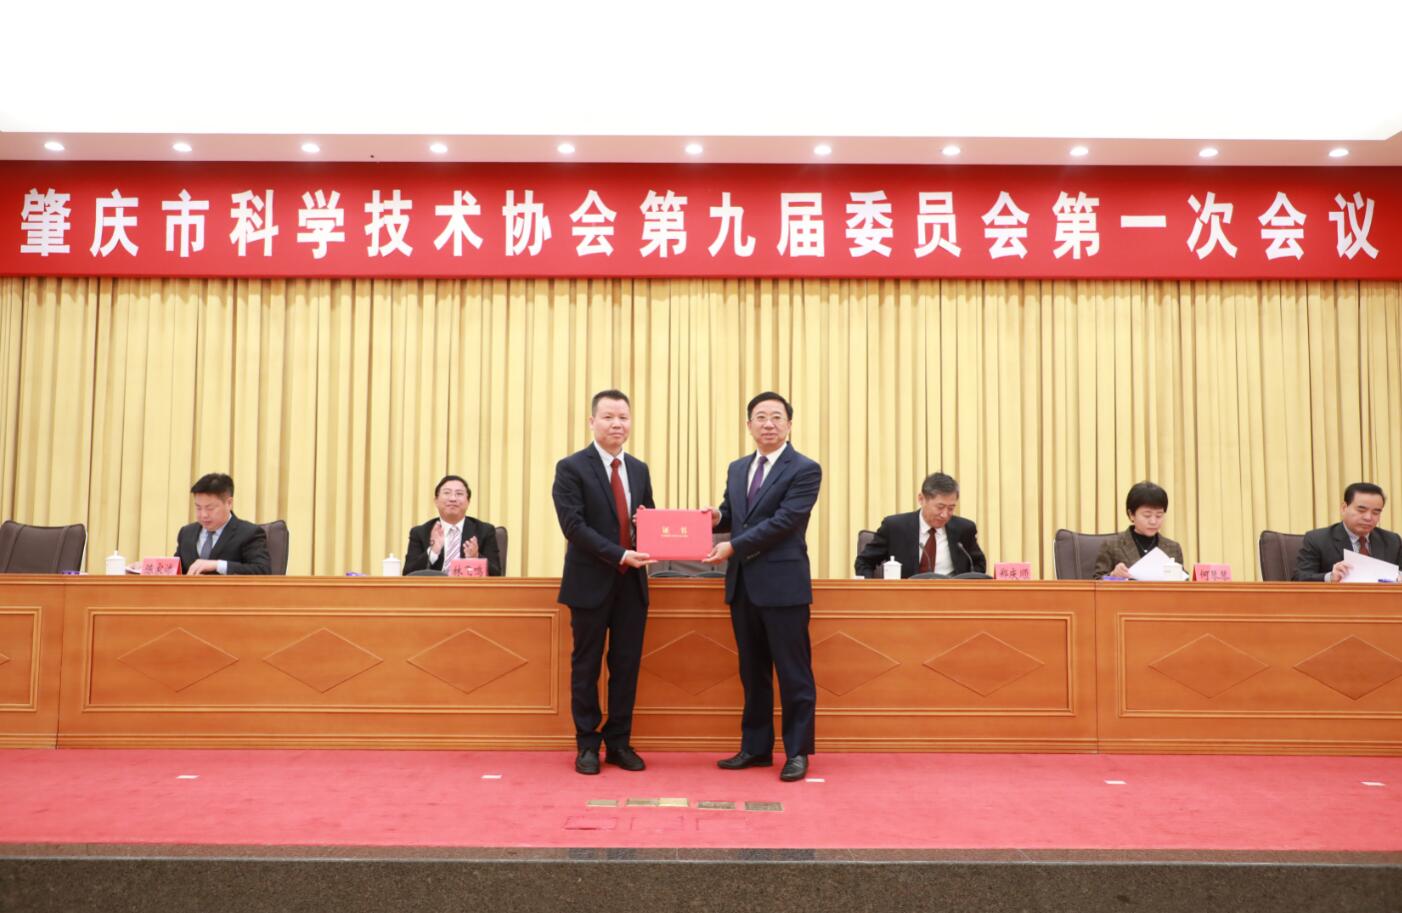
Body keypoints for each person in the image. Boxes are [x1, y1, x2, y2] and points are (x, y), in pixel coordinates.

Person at [705, 392, 822, 782]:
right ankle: (755, 748)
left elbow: (785, 521)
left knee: (793, 672)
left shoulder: (805, 469)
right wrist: (715, 517)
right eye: (760, 417)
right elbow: (734, 515)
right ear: (748, 425)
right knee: (752, 672)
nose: (768, 423)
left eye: (776, 417)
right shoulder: (738, 468)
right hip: (744, 586)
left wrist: (734, 546)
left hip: (784, 585)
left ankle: (797, 752)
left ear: (789, 424)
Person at [551, 389, 655, 775]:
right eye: (608, 417)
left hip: (632, 584)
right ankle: (587, 744)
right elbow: (573, 526)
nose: (616, 424)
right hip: (589, 582)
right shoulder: (571, 468)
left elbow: (649, 519)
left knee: (626, 666)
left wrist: (646, 528)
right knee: (587, 666)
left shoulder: (639, 469)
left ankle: (620, 742)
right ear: (592, 422)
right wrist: (619, 554)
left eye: (623, 417)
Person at [854, 472, 987, 578]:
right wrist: (874, 592)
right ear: (921, 499)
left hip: (951, 598)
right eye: (940, 507)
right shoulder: (894, 527)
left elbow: (978, 564)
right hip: (905, 598)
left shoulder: (964, 529)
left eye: (951, 508)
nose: (945, 514)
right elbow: (864, 562)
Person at [1294, 482, 1402, 582]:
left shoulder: (1392, 540)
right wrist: (1330, 577)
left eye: (1375, 512)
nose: (1368, 517)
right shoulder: (1317, 539)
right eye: (1361, 510)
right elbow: (1299, 578)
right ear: (1344, 508)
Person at [403, 475, 502, 576]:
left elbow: (497, 574)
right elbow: (408, 574)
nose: (453, 498)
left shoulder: (484, 531)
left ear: (468, 502)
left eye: (459, 493)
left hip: (468, 585)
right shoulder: (420, 532)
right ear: (436, 501)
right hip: (434, 585)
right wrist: (433, 552)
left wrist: (475, 558)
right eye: (447, 493)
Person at [173, 473, 271, 575]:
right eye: (198, 508)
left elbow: (262, 570)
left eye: (210, 508)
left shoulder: (249, 533)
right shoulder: (186, 533)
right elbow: (175, 571)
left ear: (229, 503)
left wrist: (218, 565)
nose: (203, 515)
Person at [1092, 481, 1185, 579]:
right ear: (1131, 514)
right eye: (1147, 515)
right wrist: (1113, 576)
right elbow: (1097, 580)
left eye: (1159, 515)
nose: (1153, 521)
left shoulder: (1173, 548)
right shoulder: (1112, 545)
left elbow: (1184, 583)